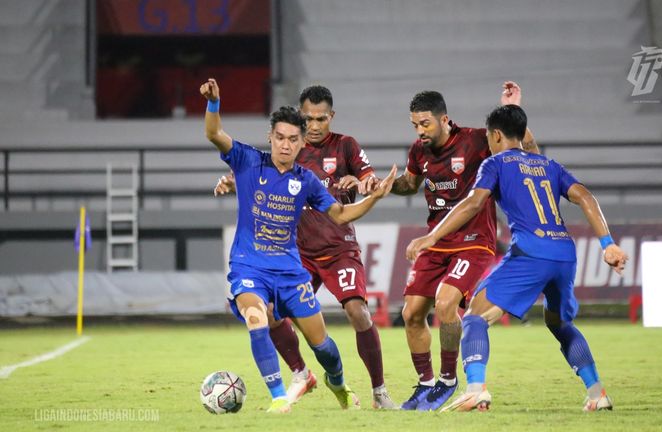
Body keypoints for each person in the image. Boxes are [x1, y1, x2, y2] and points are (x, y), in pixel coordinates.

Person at [406, 104, 628, 412]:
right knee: (560, 323)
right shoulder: (549, 165)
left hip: (531, 253)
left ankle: (475, 389)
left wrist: (432, 236)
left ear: (495, 135)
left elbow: (472, 205)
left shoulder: (494, 164)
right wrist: (608, 244)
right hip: (564, 253)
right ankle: (596, 392)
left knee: (474, 316)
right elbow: (586, 197)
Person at [201, 78, 397, 413]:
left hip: (292, 271)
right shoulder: (247, 160)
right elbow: (214, 134)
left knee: (323, 345)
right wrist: (214, 103)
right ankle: (280, 394)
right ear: (270, 137)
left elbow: (339, 214)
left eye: (293, 139)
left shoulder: (305, 179)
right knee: (256, 317)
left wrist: (375, 197)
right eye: (280, 138)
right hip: (249, 267)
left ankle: (337, 381)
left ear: (301, 142)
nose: (286, 145)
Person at [389, 82, 539, 411]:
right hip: (437, 241)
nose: (420, 130)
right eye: (415, 124)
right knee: (411, 314)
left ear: (445, 119)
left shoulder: (475, 140)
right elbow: (411, 185)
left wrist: (515, 116)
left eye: (425, 123)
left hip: (474, 242)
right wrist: (385, 186)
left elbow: (526, 154)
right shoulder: (419, 150)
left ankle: (447, 380)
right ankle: (426, 384)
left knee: (445, 305)